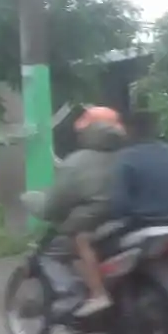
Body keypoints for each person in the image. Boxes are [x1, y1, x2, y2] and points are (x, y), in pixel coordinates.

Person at [41, 105, 126, 317]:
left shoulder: (77, 162)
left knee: (51, 255)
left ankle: (73, 295)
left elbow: (56, 202)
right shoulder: (127, 156)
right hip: (125, 222)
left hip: (89, 225)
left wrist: (44, 209)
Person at [109, 110, 168, 228]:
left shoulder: (126, 157)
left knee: (87, 239)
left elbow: (120, 203)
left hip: (139, 224)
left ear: (130, 130)